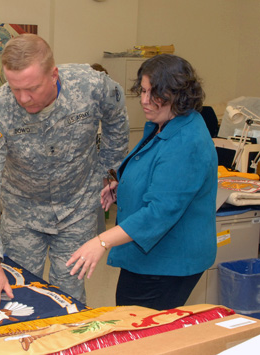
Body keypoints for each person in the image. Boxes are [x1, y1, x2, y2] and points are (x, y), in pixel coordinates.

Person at [0, 33, 129, 308]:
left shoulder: (91, 85)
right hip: (22, 213)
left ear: (53, 74)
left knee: (69, 296)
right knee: (18, 293)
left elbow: (117, 115)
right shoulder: (0, 110)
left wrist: (109, 169)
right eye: (15, 89)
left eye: (32, 88)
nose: (24, 99)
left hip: (77, 208)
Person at [67, 54, 218, 311]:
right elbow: (153, 172)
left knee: (139, 333)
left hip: (168, 263)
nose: (145, 101)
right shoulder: (164, 124)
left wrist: (101, 241)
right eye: (144, 91)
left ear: (178, 94)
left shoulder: (186, 142)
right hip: (150, 258)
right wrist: (123, 188)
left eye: (155, 94)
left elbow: (160, 211)